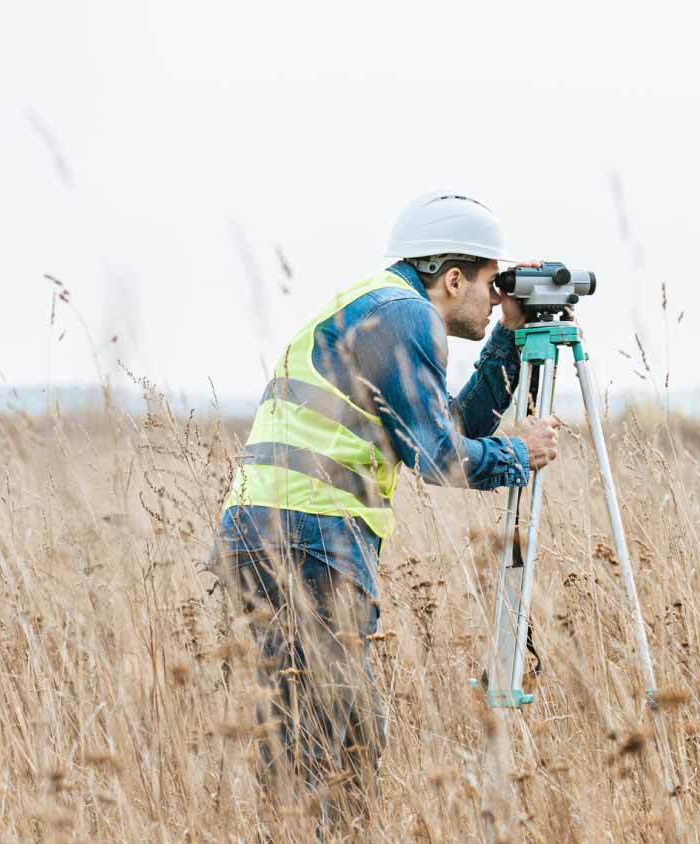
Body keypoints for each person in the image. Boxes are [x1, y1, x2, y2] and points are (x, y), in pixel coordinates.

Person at [210, 192, 561, 834]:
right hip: (310, 539)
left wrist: (509, 338)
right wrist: (519, 453)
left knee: (318, 731)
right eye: (492, 282)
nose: (495, 296)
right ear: (452, 279)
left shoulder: (378, 305)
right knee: (334, 742)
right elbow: (440, 457)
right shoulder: (407, 319)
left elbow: (446, 427)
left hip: (271, 534)